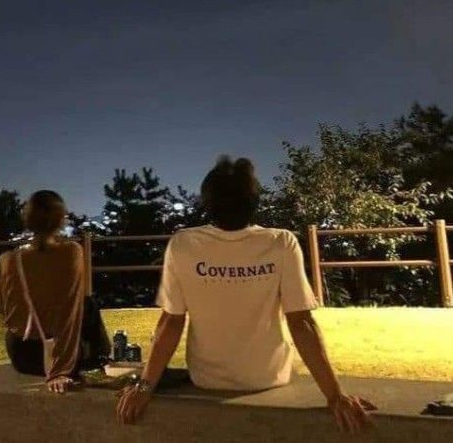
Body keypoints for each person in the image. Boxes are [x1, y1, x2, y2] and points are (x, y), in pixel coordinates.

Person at [117, 156, 377, 433]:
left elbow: (171, 321)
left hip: (206, 379)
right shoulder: (281, 242)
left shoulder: (183, 245)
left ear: (208, 203)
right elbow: (301, 322)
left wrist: (144, 386)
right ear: (253, 201)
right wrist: (335, 395)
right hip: (269, 377)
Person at [0, 190, 110, 393]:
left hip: (21, 355)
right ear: (60, 220)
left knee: (86, 304)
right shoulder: (71, 252)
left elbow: (3, 312)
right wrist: (60, 370)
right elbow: (70, 314)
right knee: (88, 304)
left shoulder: (7, 260)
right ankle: (103, 358)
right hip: (57, 356)